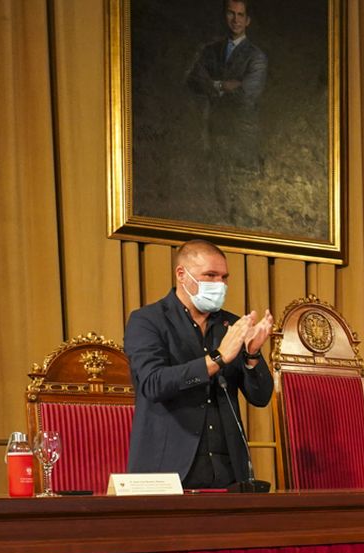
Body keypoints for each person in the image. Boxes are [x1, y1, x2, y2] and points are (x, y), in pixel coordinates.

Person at [125, 240, 273, 488]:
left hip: (228, 473)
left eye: (224, 277)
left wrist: (252, 355)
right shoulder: (147, 321)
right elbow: (153, 383)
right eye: (210, 275)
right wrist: (217, 359)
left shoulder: (232, 326)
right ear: (181, 274)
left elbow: (261, 397)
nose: (219, 285)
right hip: (168, 472)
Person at [186, 0, 268, 206]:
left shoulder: (256, 57)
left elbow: (246, 94)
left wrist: (213, 85)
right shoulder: (210, 50)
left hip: (242, 132)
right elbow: (193, 79)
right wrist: (222, 85)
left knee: (242, 191)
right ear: (225, 16)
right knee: (217, 189)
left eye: (240, 15)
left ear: (248, 20)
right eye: (231, 13)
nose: (235, 19)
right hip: (215, 127)